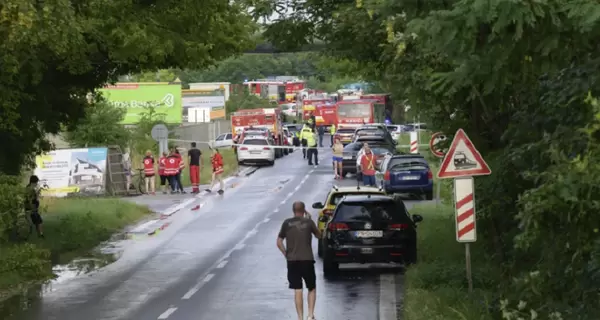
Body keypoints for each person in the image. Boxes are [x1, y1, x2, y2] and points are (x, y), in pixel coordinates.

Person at [277, 201, 321, 320]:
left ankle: (300, 317)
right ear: (304, 210)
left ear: (293, 210)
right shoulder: (309, 222)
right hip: (307, 260)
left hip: (292, 261)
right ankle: (310, 315)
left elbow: (279, 242)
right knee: (311, 288)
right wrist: (311, 219)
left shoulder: (286, 223)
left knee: (297, 289)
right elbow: (319, 235)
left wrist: (286, 253)